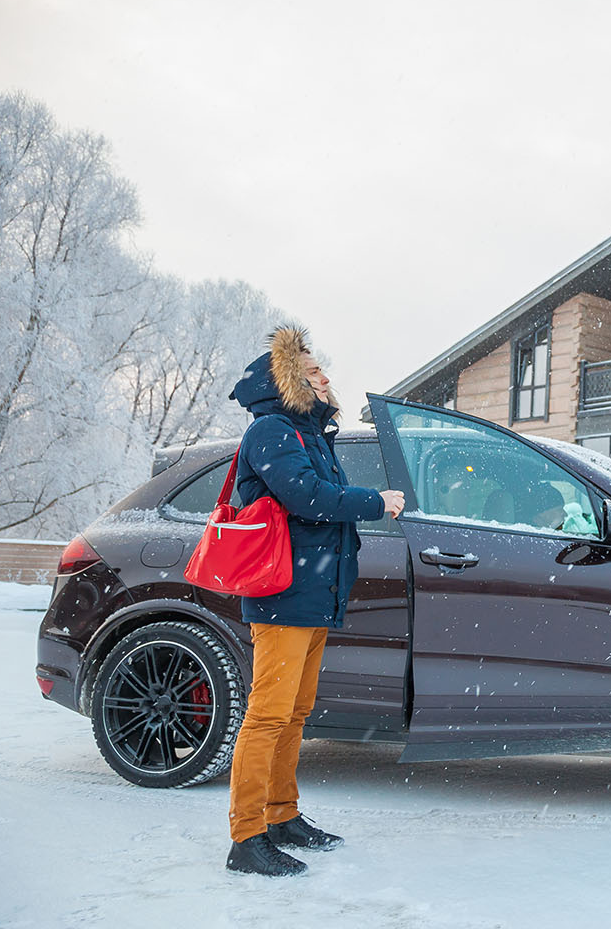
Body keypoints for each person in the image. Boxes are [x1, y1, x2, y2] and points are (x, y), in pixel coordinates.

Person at [223, 326, 405, 877]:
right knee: (267, 715)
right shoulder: (271, 432)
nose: (325, 376)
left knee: (295, 713)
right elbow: (307, 498)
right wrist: (375, 502)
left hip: (312, 592)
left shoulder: (309, 435)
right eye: (312, 370)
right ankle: (246, 837)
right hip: (284, 593)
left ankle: (282, 815)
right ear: (288, 383)